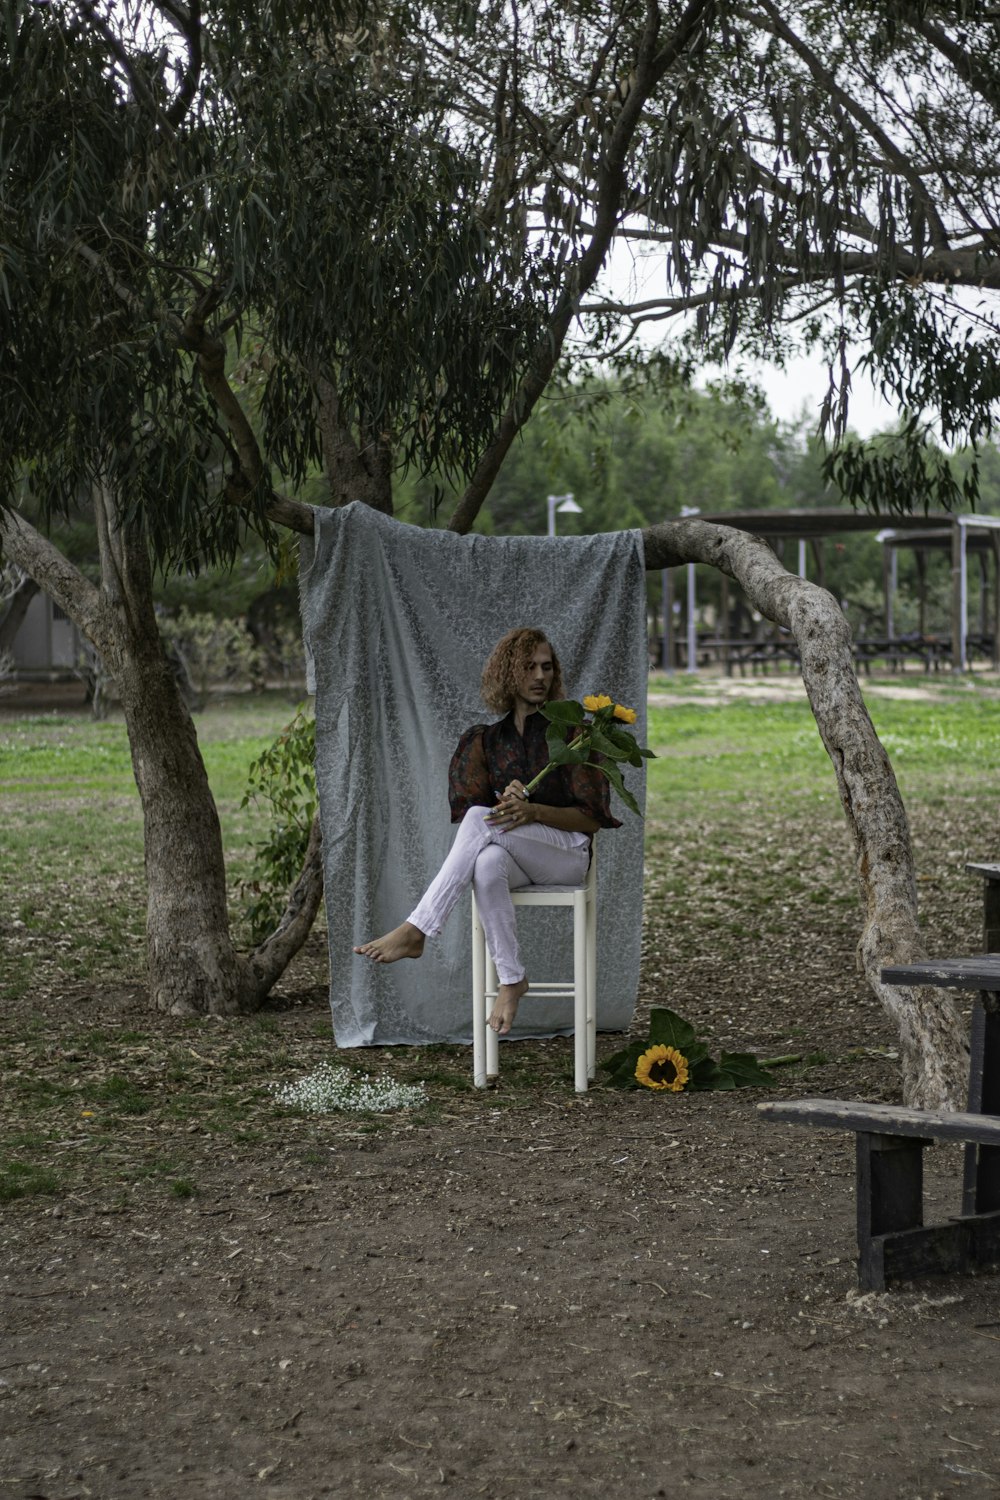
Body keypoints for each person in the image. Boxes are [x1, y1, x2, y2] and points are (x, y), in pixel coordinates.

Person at [353, 627, 621, 1035]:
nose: (540, 676)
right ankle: (512, 979)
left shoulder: (573, 733)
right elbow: (481, 821)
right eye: (528, 667)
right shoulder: (487, 742)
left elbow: (591, 819)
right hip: (518, 854)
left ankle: (418, 928)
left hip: (567, 855)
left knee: (481, 822)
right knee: (486, 862)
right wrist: (508, 804)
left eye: (547, 667)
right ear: (507, 674)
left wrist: (533, 810)